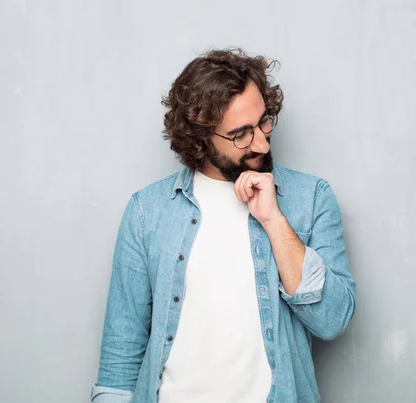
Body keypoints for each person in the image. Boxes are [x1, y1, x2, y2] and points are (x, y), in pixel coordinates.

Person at [90, 48, 356, 403]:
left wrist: (274, 220)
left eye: (264, 121)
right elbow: (120, 356)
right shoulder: (147, 212)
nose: (261, 141)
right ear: (200, 138)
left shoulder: (311, 198)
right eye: (241, 134)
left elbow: (332, 320)